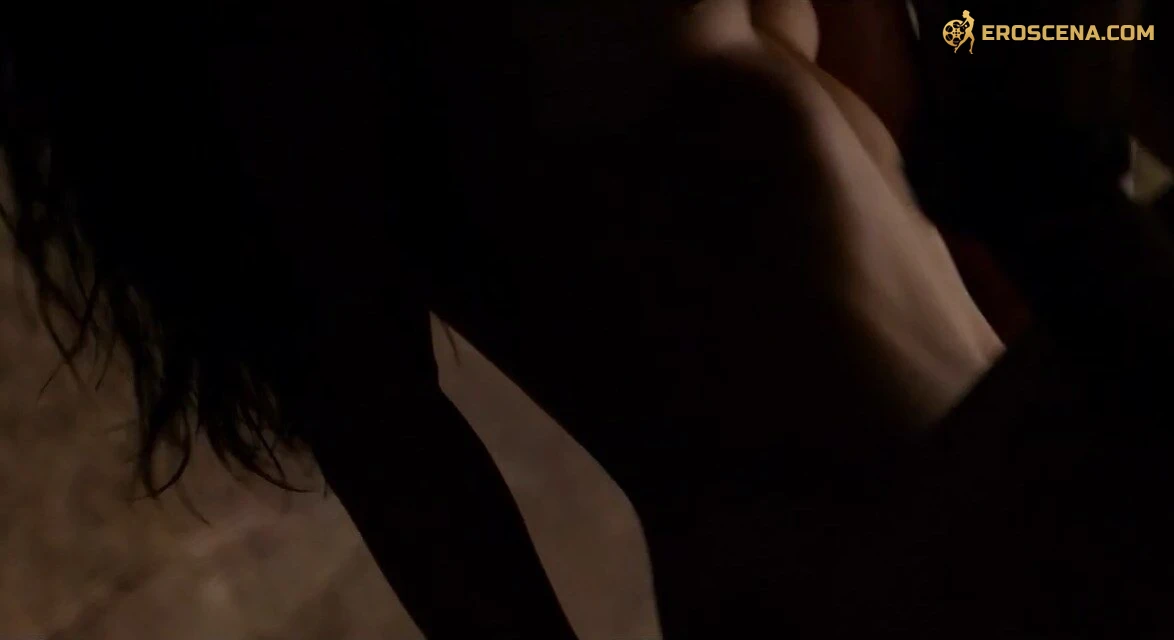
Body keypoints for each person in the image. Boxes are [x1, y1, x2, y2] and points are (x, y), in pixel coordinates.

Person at [1, 0, 1171, 637]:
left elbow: (953, 120)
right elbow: (381, 420)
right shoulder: (282, 35)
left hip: (1029, 472)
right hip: (834, 565)